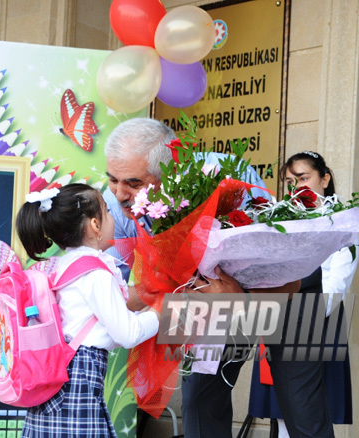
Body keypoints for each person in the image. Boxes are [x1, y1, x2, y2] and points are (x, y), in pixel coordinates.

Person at [103, 117, 298, 438]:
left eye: (134, 183)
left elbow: (280, 263)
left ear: (170, 170)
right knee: (192, 396)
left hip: (249, 299)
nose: (120, 193)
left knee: (207, 397)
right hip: (180, 303)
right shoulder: (113, 203)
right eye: (112, 179)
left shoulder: (228, 178)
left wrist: (239, 298)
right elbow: (116, 287)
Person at [16, 183, 160, 438]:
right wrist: (163, 313)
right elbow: (127, 334)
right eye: (107, 210)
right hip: (77, 386)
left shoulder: (63, 266)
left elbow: (107, 332)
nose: (113, 217)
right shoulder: (94, 273)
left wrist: (141, 317)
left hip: (59, 385)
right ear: (95, 225)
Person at [248, 151, 358, 437]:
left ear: (325, 178)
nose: (296, 187)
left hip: (318, 316)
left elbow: (338, 277)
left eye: (303, 178)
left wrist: (310, 318)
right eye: (289, 181)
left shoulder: (341, 219)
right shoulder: (285, 217)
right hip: (282, 313)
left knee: (311, 409)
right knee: (283, 407)